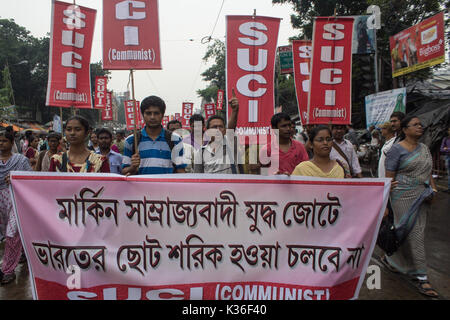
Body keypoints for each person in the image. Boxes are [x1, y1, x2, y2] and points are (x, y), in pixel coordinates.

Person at [382, 116, 439, 298]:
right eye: (415, 125)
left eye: (420, 124)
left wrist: (433, 188)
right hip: (402, 198)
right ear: (405, 130)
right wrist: (385, 204)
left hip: (423, 197)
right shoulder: (395, 151)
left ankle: (394, 261)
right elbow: (389, 179)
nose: (419, 127)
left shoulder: (424, 149)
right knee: (411, 233)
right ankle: (422, 277)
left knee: (413, 233)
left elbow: (428, 171)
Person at [122, 96, 186, 175]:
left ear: (162, 115)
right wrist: (132, 167)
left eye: (156, 113)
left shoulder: (175, 139)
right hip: (140, 187)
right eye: (148, 113)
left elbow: (181, 171)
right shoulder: (131, 140)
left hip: (167, 187)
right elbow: (124, 171)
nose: (152, 117)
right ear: (142, 115)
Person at [0, 129, 33, 284]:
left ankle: (8, 270)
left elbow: (30, 179)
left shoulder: (20, 160)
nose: (1, 144)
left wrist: (15, 179)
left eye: (4, 141)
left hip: (15, 199)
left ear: (12, 142)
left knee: (12, 234)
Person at [440, 126, 450, 193]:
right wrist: (445, 149)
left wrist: (447, 149)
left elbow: (444, 149)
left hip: (447, 155)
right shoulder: (445, 139)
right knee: (449, 173)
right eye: (449, 130)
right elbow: (441, 149)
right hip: (448, 157)